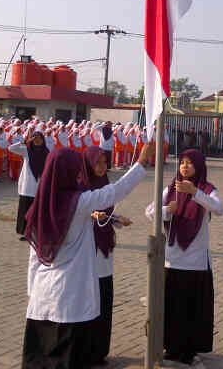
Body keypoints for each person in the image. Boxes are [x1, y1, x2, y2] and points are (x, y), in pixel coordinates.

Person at [21, 141, 154, 369]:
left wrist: (32, 292)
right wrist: (141, 162)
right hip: (71, 298)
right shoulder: (79, 202)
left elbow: (34, 257)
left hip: (42, 299)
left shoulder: (39, 207)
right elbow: (116, 191)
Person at [146, 149, 223, 365]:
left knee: (191, 309)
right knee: (172, 306)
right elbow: (149, 212)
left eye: (190, 163)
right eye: (182, 162)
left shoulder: (207, 189)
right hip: (172, 258)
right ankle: (171, 348)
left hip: (195, 261)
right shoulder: (170, 188)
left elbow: (219, 209)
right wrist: (166, 210)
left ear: (199, 166)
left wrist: (195, 193)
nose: (185, 167)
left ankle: (189, 351)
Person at [82, 146, 133, 364]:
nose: (102, 167)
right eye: (97, 163)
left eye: (105, 163)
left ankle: (99, 350)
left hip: (104, 251)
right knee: (88, 301)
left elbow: (107, 215)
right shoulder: (80, 188)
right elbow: (77, 213)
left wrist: (117, 219)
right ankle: (85, 349)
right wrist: (90, 215)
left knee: (103, 299)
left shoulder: (106, 185)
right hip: (85, 253)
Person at [9, 132, 49, 241]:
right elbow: (11, 148)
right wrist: (23, 142)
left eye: (39, 138)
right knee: (25, 210)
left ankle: (37, 233)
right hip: (27, 186)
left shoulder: (46, 152)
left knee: (38, 211)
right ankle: (26, 233)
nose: (37, 141)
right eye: (34, 138)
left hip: (40, 185)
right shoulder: (26, 150)